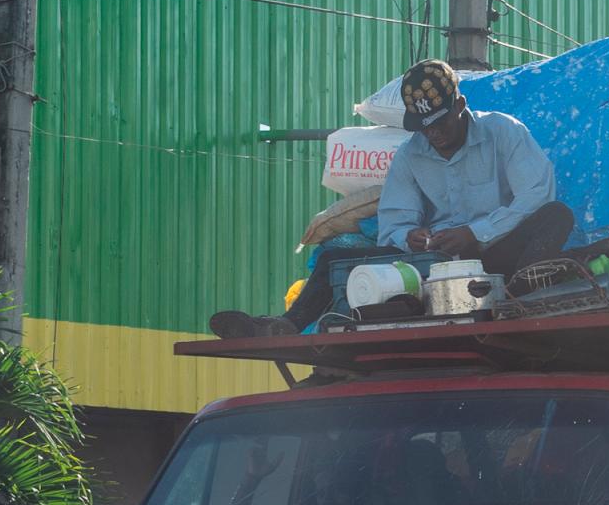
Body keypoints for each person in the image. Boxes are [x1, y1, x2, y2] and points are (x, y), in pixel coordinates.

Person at [209, 59, 574, 338]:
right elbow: (395, 223)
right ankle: (283, 325)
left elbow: (537, 195)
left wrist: (476, 233)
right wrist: (409, 236)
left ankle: (515, 302)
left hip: (499, 255)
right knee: (335, 258)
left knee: (556, 216)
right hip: (436, 263)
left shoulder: (503, 132)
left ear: (461, 104)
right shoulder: (410, 155)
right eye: (425, 127)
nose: (434, 134)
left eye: (441, 123)